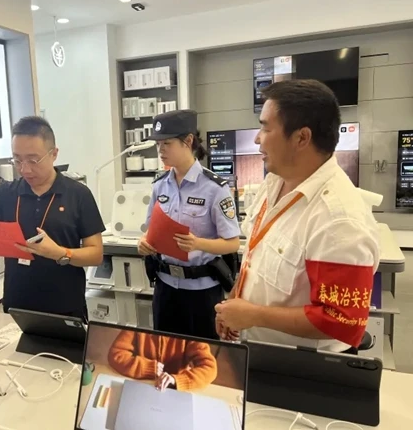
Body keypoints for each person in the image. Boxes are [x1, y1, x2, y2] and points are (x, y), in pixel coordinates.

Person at [215, 79, 380, 353]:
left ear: (302, 138)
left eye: (265, 128)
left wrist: (254, 315)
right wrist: (236, 301)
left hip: (301, 366)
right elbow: (258, 255)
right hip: (255, 348)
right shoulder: (275, 183)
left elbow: (343, 321)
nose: (257, 138)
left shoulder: (338, 219)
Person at [0, 116, 105, 318]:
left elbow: (96, 254)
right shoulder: (6, 193)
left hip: (66, 307)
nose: (25, 169)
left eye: (33, 160)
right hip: (17, 307)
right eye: (17, 160)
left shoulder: (78, 194)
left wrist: (60, 253)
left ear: (54, 154)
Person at [137, 110, 241, 340]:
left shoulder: (215, 188)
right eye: (158, 144)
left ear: (188, 141)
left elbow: (232, 243)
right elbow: (151, 231)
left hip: (201, 293)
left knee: (202, 357)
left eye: (167, 143)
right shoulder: (160, 186)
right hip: (165, 288)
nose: (161, 150)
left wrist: (197, 244)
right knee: (165, 354)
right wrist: (144, 244)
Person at [108, 329, 217, 392]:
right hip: (143, 384)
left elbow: (209, 368)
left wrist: (177, 380)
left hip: (176, 390)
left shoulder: (191, 329)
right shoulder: (139, 320)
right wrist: (147, 368)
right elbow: (116, 354)